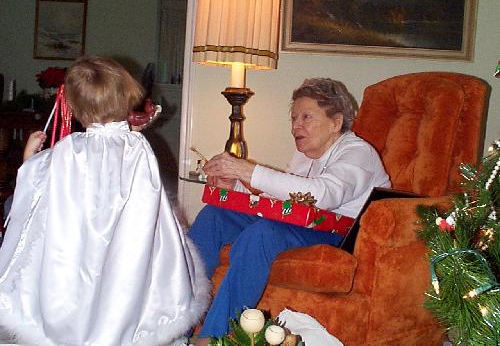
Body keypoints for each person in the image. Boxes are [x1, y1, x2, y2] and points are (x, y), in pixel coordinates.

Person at [0, 56, 210, 345]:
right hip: (127, 245)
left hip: (77, 245)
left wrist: (29, 157)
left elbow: (37, 183)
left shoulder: (70, 149)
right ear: (125, 97)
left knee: (79, 288)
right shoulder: (138, 147)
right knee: (122, 288)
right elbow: (150, 197)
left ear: (72, 107)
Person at [188, 78, 391, 344]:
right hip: (300, 226)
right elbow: (277, 200)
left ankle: (212, 336)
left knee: (263, 233)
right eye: (294, 118)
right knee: (215, 216)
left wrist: (245, 169)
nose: (296, 125)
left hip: (339, 237)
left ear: (336, 122)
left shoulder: (359, 153)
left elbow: (321, 195)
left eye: (306, 117)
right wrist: (235, 185)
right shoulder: (305, 157)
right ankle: (178, 318)